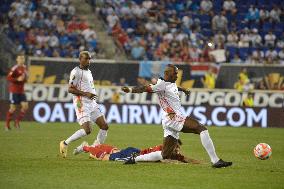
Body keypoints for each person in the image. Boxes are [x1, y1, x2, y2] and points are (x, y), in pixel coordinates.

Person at [121, 64, 232, 168]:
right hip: (173, 117)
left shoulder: (170, 83)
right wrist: (130, 90)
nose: (177, 76)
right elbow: (144, 88)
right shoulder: (160, 85)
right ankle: (215, 160)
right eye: (175, 74)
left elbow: (172, 87)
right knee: (201, 128)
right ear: (168, 73)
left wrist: (182, 89)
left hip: (168, 120)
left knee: (165, 154)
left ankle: (135, 159)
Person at [59, 51, 109, 158]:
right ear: (80, 59)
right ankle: (65, 143)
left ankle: (95, 150)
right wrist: (86, 93)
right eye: (86, 59)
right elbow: (70, 89)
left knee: (104, 126)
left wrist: (90, 95)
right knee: (87, 130)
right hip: (81, 103)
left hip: (92, 103)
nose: (88, 61)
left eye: (89, 59)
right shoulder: (76, 72)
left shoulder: (89, 71)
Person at [73, 140, 200, 164]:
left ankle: (98, 145)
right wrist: (178, 163)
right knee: (105, 158)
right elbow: (164, 160)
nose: (178, 150)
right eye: (177, 148)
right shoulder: (163, 152)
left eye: (178, 148)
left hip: (135, 151)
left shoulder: (168, 150)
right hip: (133, 155)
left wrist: (199, 162)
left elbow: (185, 158)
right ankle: (86, 147)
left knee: (116, 152)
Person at [5, 53, 28, 130]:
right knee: (13, 108)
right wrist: (17, 79)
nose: (21, 60)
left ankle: (17, 122)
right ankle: (7, 125)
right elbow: (8, 78)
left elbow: (25, 78)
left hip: (21, 91)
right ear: (17, 60)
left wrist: (24, 79)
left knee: (25, 106)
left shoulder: (25, 68)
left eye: (23, 58)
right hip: (14, 91)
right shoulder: (14, 68)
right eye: (20, 58)